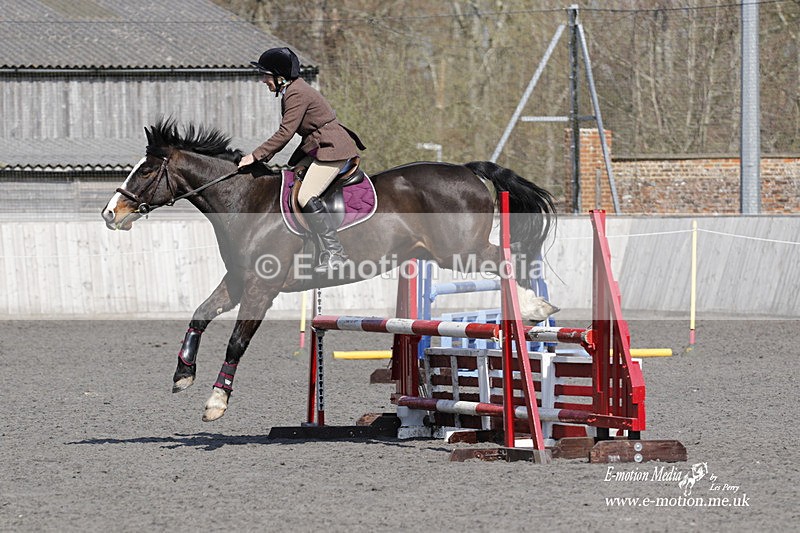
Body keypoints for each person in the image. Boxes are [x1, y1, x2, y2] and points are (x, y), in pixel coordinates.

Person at [239, 47, 365, 273]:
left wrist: (255, 155)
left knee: (307, 195)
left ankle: (335, 252)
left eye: (266, 75)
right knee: (292, 176)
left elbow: (285, 133)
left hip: (332, 148)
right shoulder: (292, 91)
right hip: (318, 147)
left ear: (280, 77)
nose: (263, 80)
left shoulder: (296, 93)